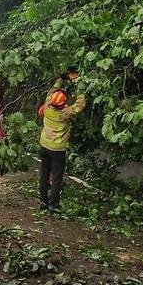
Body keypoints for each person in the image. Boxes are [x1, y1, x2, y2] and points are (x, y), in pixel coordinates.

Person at [38, 68, 86, 212]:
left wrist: (60, 79)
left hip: (44, 146)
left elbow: (52, 91)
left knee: (44, 175)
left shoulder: (47, 106)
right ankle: (53, 204)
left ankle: (43, 202)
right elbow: (80, 103)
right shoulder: (66, 113)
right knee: (57, 177)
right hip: (57, 149)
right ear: (64, 103)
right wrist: (76, 82)